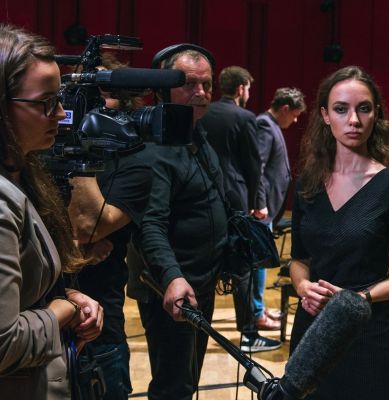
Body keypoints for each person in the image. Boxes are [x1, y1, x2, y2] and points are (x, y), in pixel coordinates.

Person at [0, 24, 103, 399]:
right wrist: (63, 311)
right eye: (46, 103)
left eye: (59, 99)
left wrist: (67, 297)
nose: (61, 114)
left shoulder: (15, 174)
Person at [289, 66, 389, 400]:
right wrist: (303, 286)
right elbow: (298, 259)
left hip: (368, 334)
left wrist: (359, 298)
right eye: (341, 109)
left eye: (363, 108)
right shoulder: (307, 183)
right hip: (312, 331)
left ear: (376, 114)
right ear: (325, 115)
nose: (353, 120)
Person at [125, 44, 228, 399]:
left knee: (187, 382)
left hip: (201, 284)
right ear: (162, 89)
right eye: (188, 84)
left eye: (206, 84)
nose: (200, 93)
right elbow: (150, 225)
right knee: (174, 388)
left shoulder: (196, 135)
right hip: (171, 289)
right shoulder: (156, 149)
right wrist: (172, 277)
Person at [67, 52, 153, 399]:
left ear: (126, 103)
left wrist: (79, 151)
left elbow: (88, 226)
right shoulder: (41, 151)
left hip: (101, 326)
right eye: (83, 94)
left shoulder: (136, 161)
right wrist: (73, 248)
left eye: (101, 92)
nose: (91, 103)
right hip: (39, 315)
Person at [198, 66, 281, 352]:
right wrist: (259, 203)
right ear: (241, 87)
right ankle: (248, 335)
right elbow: (253, 166)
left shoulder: (202, 113)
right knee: (243, 268)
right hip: (235, 201)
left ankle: (197, 328)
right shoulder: (244, 118)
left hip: (202, 198)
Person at [253, 87, 307, 331]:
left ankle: (258, 308)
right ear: (285, 108)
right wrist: (259, 203)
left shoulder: (271, 125)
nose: (294, 121)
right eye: (294, 115)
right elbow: (258, 168)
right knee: (259, 262)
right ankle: (256, 313)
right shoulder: (265, 125)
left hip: (268, 207)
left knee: (261, 261)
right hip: (262, 209)